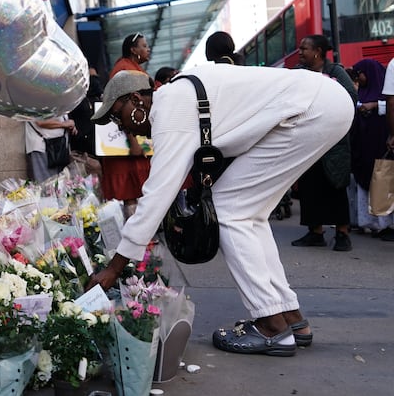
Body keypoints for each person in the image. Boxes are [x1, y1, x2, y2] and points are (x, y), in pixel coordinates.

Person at [86, 65, 354, 356]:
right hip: (321, 104)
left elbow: (157, 195)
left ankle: (272, 326)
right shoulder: (176, 96)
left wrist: (114, 267)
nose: (121, 126)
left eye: (117, 115)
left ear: (137, 99)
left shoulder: (169, 108)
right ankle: (289, 316)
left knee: (228, 210)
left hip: (312, 110)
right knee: (247, 212)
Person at [291, 35, 357, 251]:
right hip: (309, 139)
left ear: (318, 51)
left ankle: (342, 234)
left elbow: (350, 97)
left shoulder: (335, 72)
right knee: (311, 186)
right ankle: (315, 232)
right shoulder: (299, 74)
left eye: (304, 49)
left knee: (335, 185)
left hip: (333, 140)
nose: (300, 52)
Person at [100, 33, 153, 215]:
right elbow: (121, 106)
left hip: (138, 136)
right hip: (129, 142)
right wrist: (133, 142)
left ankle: (143, 237)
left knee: (139, 189)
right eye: (144, 46)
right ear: (133, 50)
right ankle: (137, 237)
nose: (148, 49)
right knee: (131, 191)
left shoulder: (134, 68)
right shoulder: (123, 69)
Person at [349, 59, 394, 239]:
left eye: (361, 73)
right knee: (368, 182)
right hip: (365, 149)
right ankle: (372, 223)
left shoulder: (385, 98)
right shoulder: (362, 93)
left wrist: (374, 105)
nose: (359, 78)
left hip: (380, 147)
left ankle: (387, 224)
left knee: (383, 182)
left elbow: (389, 105)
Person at [68, 67, 104, 177]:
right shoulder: (75, 100)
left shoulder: (100, 101)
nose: (95, 81)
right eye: (92, 78)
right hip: (82, 150)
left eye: (96, 78)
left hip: (99, 148)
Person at [24, 116, 76, 182]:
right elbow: (40, 122)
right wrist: (64, 124)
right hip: (43, 147)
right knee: (46, 184)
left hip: (59, 146)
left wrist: (69, 126)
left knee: (61, 183)